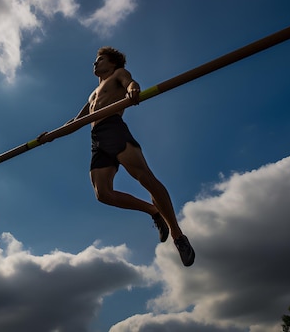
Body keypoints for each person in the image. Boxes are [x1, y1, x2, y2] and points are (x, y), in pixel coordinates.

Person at [40, 47, 194, 266]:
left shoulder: (118, 74)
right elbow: (76, 121)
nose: (95, 63)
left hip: (113, 129)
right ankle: (152, 210)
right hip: (97, 139)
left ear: (112, 63)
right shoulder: (93, 93)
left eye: (99, 60)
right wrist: (51, 136)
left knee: (144, 177)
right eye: (94, 60)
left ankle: (178, 236)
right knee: (102, 193)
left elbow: (131, 83)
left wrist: (133, 90)